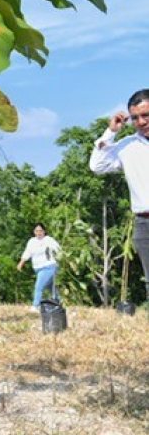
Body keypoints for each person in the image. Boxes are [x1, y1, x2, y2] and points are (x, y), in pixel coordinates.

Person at [89, 88, 149, 302]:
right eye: (135, 118)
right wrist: (111, 132)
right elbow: (98, 165)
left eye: (146, 115)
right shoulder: (128, 146)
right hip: (145, 223)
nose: (141, 122)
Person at [16, 223, 61, 312]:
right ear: (34, 232)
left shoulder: (49, 240)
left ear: (44, 231)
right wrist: (21, 263)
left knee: (38, 286)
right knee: (51, 288)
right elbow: (27, 252)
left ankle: (36, 305)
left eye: (40, 231)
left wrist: (60, 260)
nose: (39, 233)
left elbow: (58, 250)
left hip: (49, 267)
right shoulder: (32, 241)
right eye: (37, 231)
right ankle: (58, 304)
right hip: (38, 269)